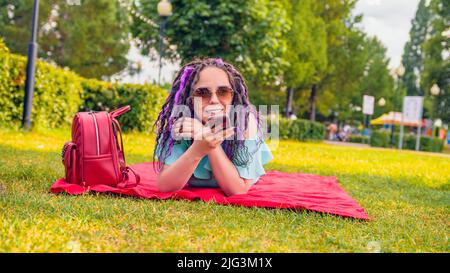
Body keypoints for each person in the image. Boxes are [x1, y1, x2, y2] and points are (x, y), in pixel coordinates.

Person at [153, 57, 273, 196]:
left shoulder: (245, 122)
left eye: (223, 92)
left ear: (233, 97)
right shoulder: (182, 121)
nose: (214, 100)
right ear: (190, 99)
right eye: (202, 93)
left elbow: (238, 190)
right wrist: (197, 150)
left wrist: (208, 140)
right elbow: (165, 186)